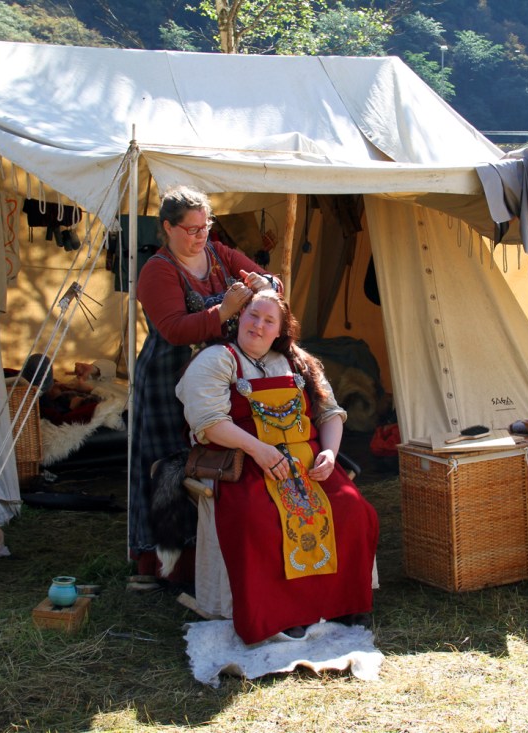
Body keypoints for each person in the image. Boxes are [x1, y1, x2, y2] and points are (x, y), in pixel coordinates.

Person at [176, 290, 378, 644]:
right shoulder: (217, 360)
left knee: (352, 509)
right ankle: (282, 614)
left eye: (269, 321)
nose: (258, 325)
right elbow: (208, 422)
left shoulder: (298, 363)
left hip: (307, 465)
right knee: (260, 518)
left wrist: (329, 454)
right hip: (246, 462)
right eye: (253, 315)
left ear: (281, 330)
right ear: (239, 316)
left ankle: (339, 604)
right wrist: (259, 451)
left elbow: (330, 413)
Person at [131, 186, 279, 581]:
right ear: (167, 227)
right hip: (167, 376)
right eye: (191, 229)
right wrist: (226, 309)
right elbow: (175, 329)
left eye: (205, 226)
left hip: (214, 376)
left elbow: (269, 281)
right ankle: (165, 563)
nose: (200, 236)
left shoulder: (219, 254)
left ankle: (211, 557)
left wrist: (263, 288)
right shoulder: (157, 270)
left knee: (210, 461)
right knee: (168, 467)